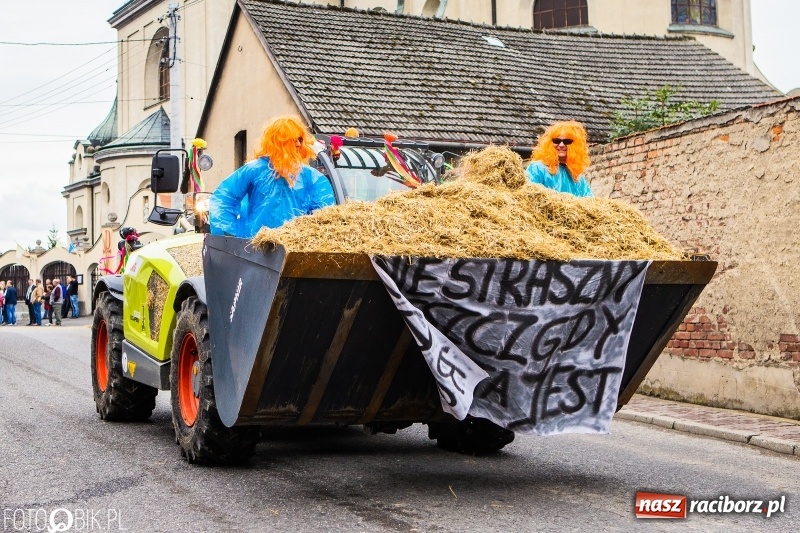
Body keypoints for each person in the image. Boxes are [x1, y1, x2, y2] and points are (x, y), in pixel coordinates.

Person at [209, 116, 336, 238]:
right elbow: (223, 198)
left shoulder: (312, 177)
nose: (298, 144)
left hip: (295, 249)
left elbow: (324, 214)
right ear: (278, 142)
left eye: (300, 139)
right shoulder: (254, 170)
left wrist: (309, 239)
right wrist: (231, 235)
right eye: (293, 139)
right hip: (256, 248)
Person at [526, 120, 593, 197]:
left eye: (567, 141)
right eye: (556, 141)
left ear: (576, 146)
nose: (561, 145)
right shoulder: (537, 169)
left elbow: (590, 203)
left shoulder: (578, 179)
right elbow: (528, 196)